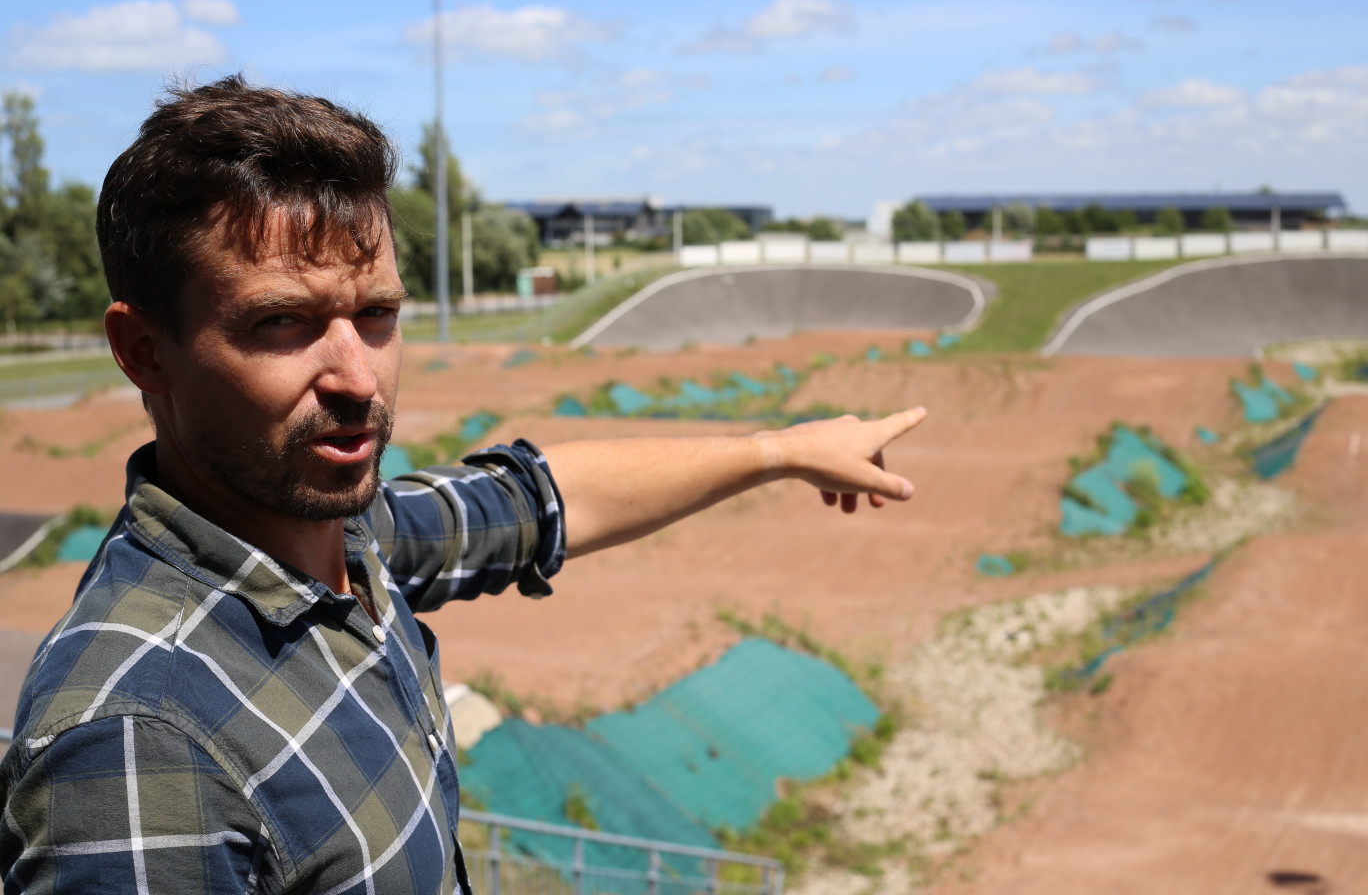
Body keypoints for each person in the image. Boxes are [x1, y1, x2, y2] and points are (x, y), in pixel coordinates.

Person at [0, 76, 925, 894]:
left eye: (377, 315)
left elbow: (538, 501)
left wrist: (779, 450)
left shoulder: (349, 545)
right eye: (283, 323)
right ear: (142, 350)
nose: (357, 377)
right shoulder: (136, 739)